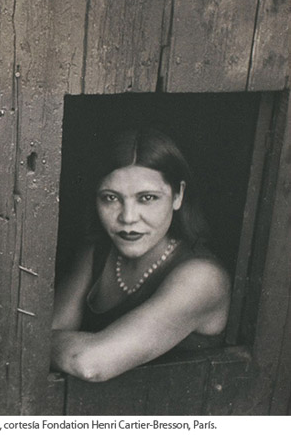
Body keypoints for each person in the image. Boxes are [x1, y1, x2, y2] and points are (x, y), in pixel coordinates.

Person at [50, 128, 230, 382]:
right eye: (110, 198)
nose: (128, 217)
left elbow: (89, 363)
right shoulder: (97, 253)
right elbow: (40, 336)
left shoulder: (203, 279)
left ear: (178, 195)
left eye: (147, 198)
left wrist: (67, 345)